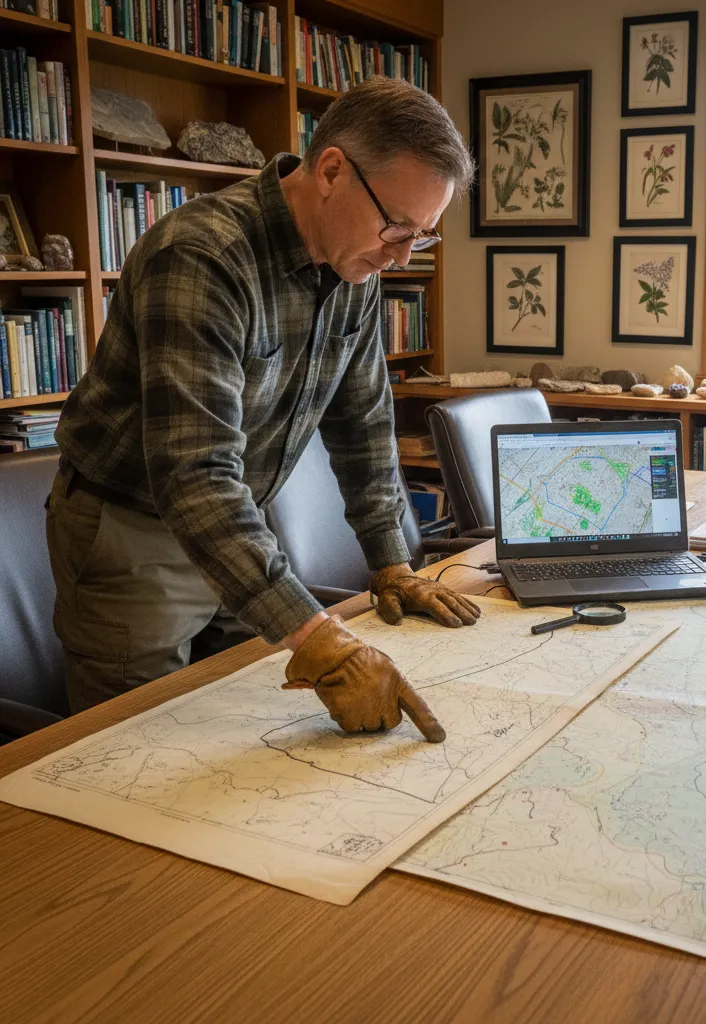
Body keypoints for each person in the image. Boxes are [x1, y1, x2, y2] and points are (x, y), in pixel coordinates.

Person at [46, 78, 479, 741]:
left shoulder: (355, 263)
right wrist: (321, 640)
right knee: (141, 755)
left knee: (248, 736)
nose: (400, 256)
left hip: (240, 525)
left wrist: (391, 561)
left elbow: (363, 423)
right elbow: (194, 476)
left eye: (420, 236)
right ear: (331, 171)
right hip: (134, 534)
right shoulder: (202, 256)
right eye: (397, 225)